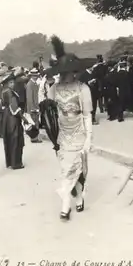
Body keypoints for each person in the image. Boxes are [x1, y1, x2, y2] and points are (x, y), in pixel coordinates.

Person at [47, 35, 93, 222]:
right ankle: (70, 201)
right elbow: (48, 113)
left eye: (68, 72)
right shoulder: (53, 89)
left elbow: (87, 115)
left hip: (79, 132)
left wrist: (89, 138)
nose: (65, 76)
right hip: (62, 134)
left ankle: (74, 199)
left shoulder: (83, 89)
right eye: (62, 72)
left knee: (78, 169)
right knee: (66, 170)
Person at [0, 70, 26, 170]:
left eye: (13, 82)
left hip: (6, 117)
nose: (13, 84)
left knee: (9, 140)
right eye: (10, 82)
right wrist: (24, 118)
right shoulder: (10, 93)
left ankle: (10, 161)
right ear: (7, 83)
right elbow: (14, 107)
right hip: (13, 118)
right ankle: (16, 163)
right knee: (16, 139)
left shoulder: (3, 92)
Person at [25, 67, 42, 143]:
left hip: (36, 106)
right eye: (33, 75)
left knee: (36, 122)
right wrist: (32, 108)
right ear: (31, 76)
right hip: (33, 107)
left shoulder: (34, 84)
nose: (35, 76)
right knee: (33, 123)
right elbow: (29, 98)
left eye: (36, 75)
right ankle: (34, 138)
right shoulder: (30, 84)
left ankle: (35, 137)